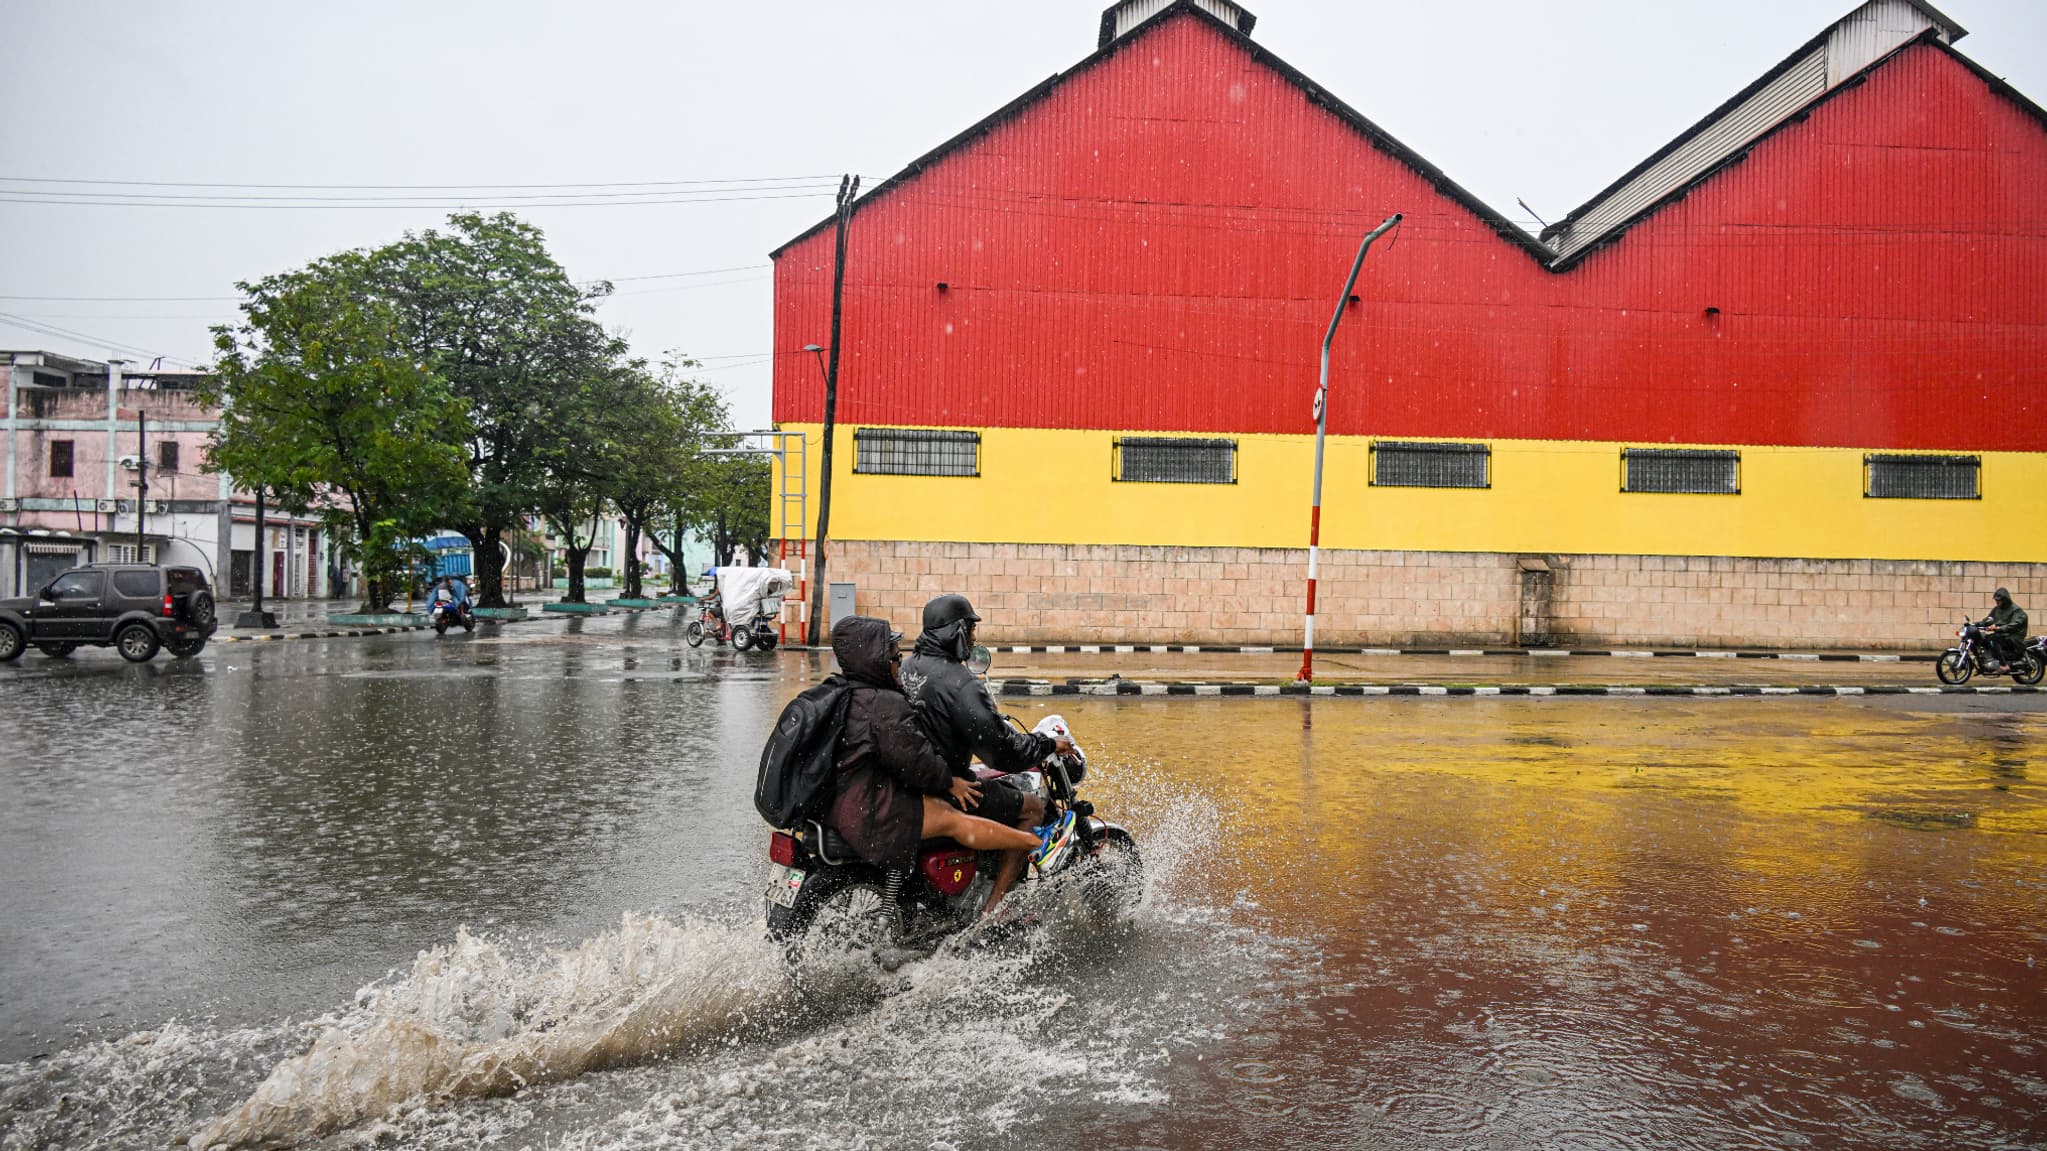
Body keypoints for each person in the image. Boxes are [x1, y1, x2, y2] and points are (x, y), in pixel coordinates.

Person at [900, 593, 1078, 916]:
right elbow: (1003, 752)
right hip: (949, 788)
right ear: (955, 632)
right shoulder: (960, 683)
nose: (973, 637)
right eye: (970, 629)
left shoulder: (909, 666)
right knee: (1032, 808)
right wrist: (1048, 744)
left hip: (915, 781)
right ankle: (994, 912)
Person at [824, 616, 1042, 878]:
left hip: (847, 798)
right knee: (966, 817)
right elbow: (915, 758)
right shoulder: (884, 703)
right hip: (871, 805)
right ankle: (1002, 898)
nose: (899, 665)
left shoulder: (841, 692)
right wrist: (951, 782)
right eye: (895, 659)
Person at [1978, 587, 2028, 672]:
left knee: (1992, 638)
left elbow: (2013, 625)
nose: (1997, 602)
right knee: (1984, 638)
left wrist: (1998, 628)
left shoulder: (2017, 611)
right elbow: (1988, 619)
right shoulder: (1997, 609)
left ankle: (2004, 665)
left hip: (2014, 638)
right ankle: (1987, 661)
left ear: (2005, 600)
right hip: (2003, 636)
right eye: (1996, 600)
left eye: (1999, 600)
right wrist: (1975, 624)